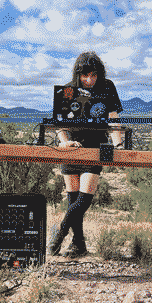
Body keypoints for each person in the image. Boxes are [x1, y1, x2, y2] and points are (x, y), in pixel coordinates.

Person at [48, 51, 124, 258]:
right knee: (73, 200)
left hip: (95, 148)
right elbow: (58, 124)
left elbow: (113, 117)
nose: (89, 80)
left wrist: (118, 144)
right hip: (72, 150)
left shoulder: (107, 87)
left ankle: (60, 232)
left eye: (93, 75)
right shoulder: (68, 90)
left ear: (99, 73)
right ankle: (79, 244)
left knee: (84, 199)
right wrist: (65, 143)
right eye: (85, 76)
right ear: (78, 74)